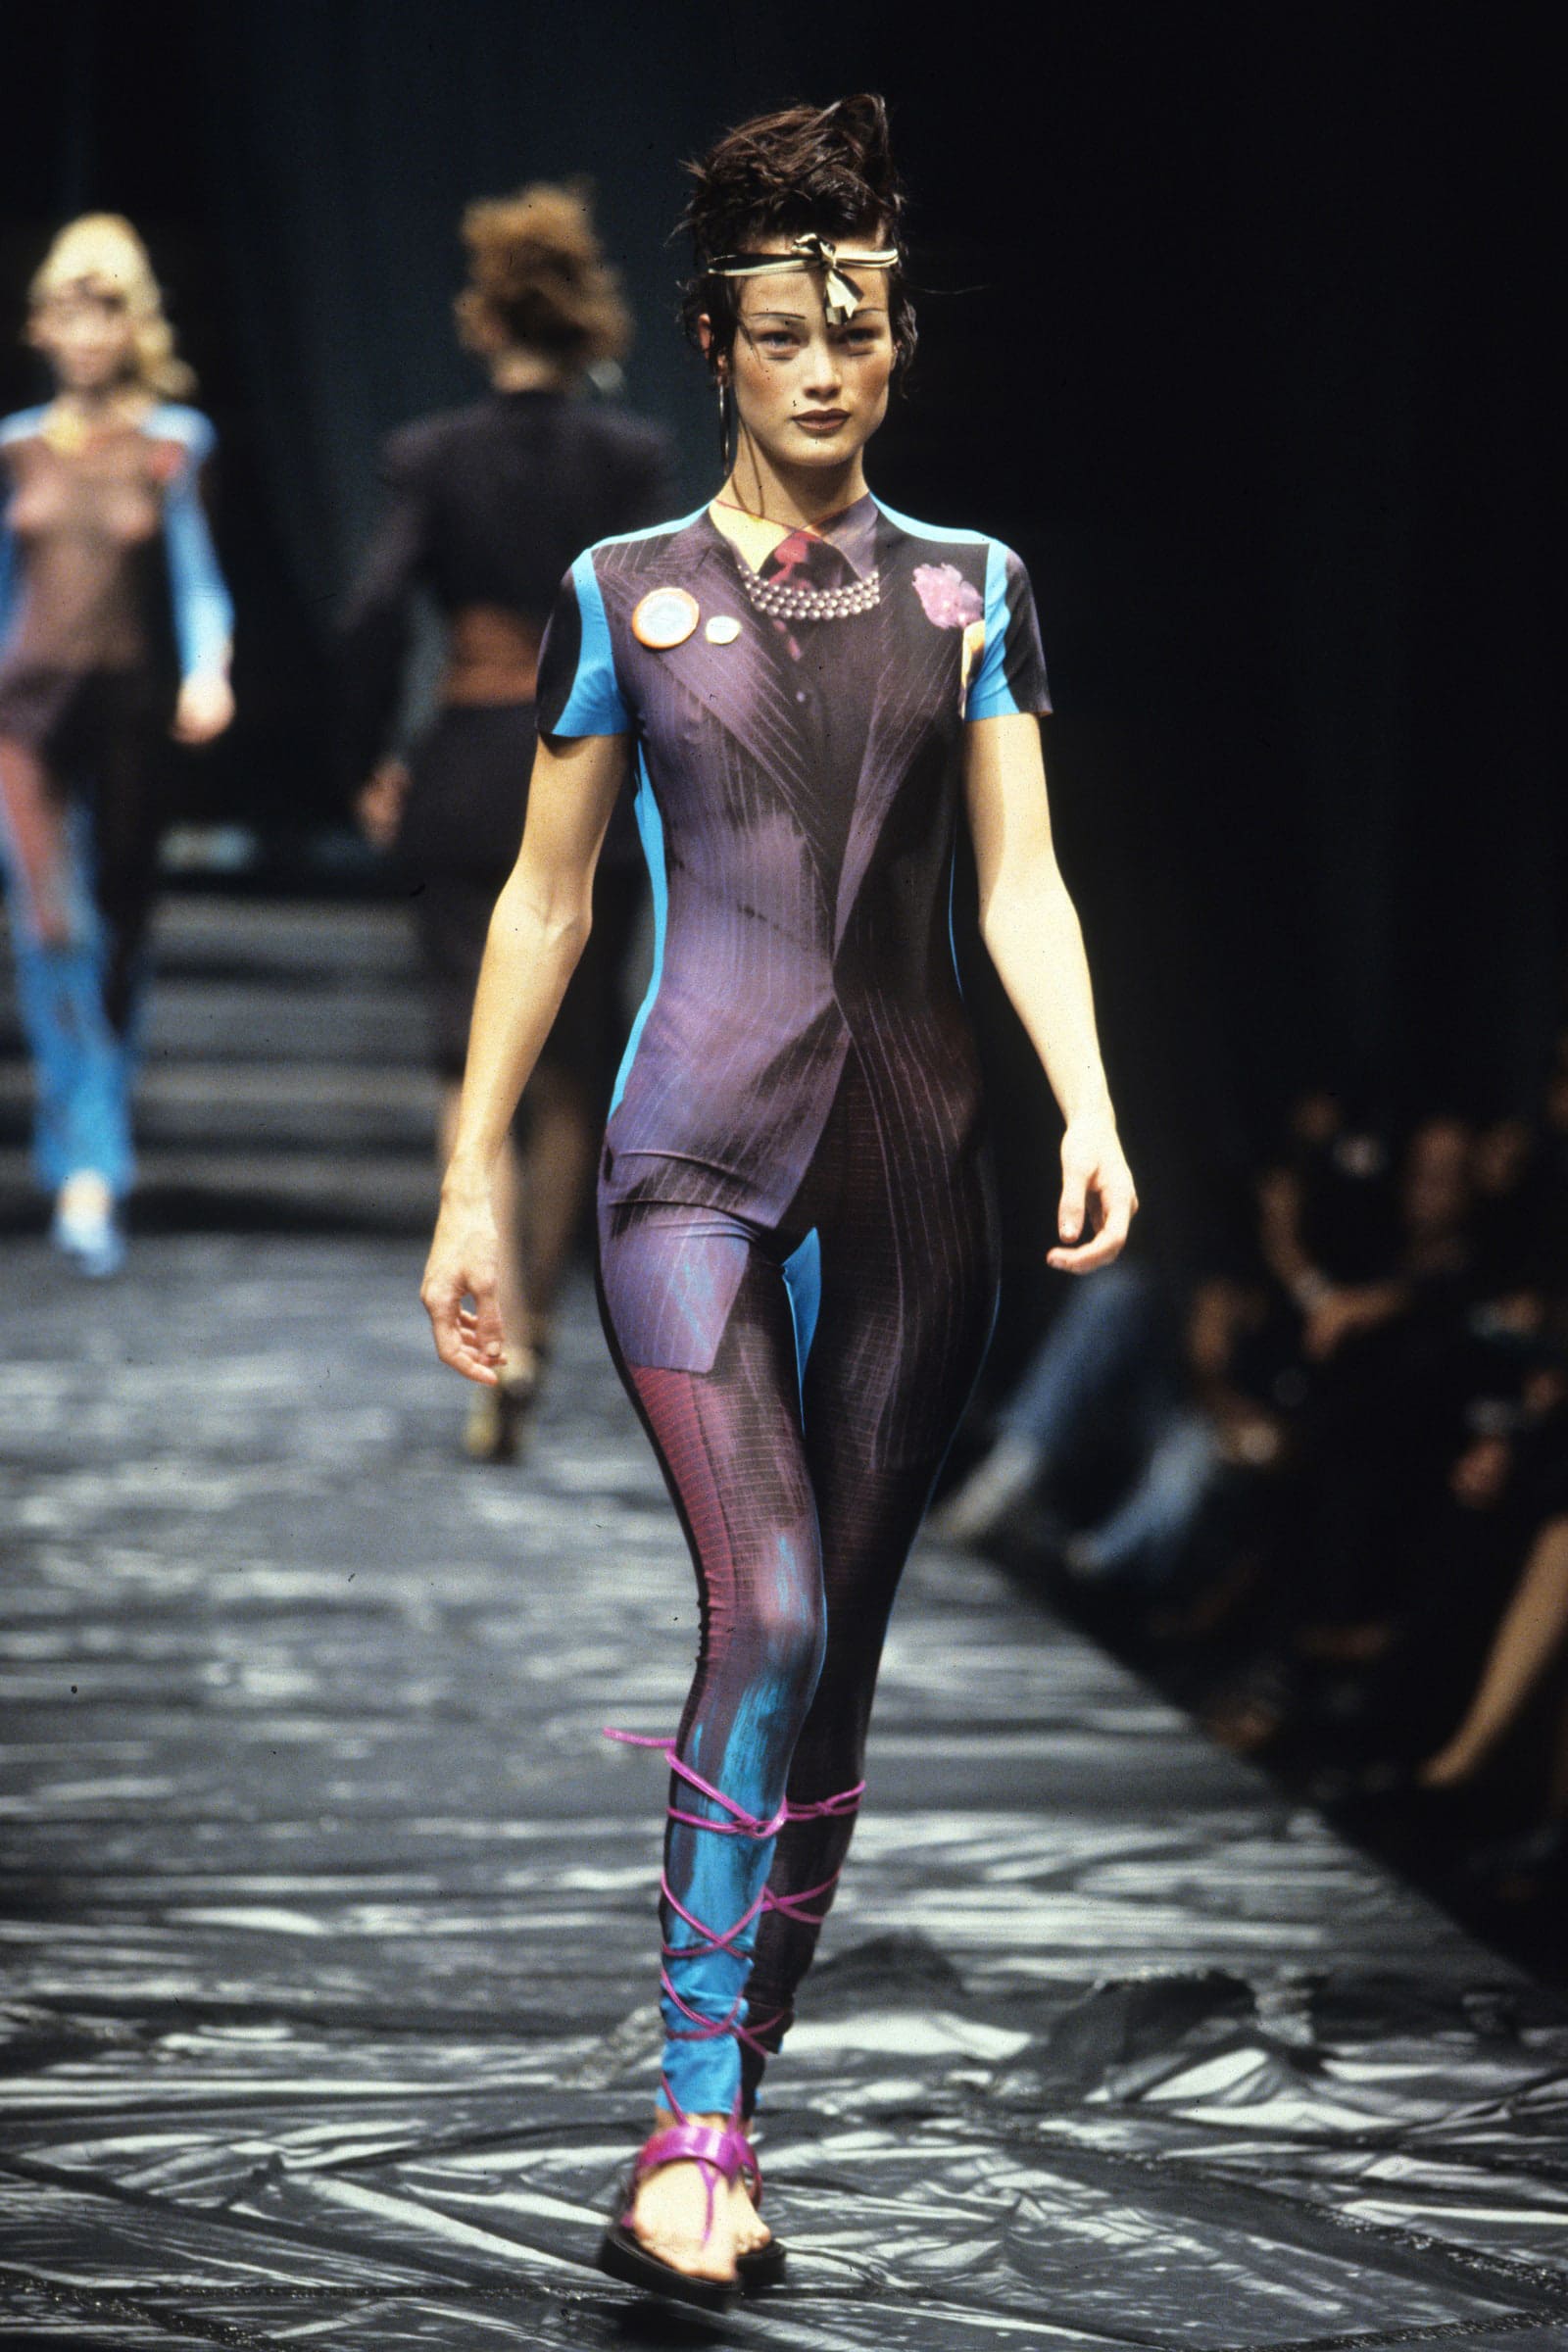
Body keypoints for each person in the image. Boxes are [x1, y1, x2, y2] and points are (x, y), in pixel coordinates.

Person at [419, 95, 1137, 2309]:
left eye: (863, 328)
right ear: (715, 345)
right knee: (777, 1612)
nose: (829, 368)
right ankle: (692, 2127)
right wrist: (470, 1175)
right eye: (786, 332)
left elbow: (1018, 881)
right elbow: (547, 904)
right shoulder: (620, 591)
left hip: (917, 1161)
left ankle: (740, 2096)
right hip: (686, 1163)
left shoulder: (969, 587)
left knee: (839, 1670)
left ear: (898, 342)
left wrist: (1090, 1100)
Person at [341, 183, 670, 1459]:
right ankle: (535, 1330)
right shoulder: (628, 461)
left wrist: (370, 758)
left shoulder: (430, 456)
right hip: (594, 774)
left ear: (483, 319)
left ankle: (505, 1332)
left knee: (463, 1060)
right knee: (572, 1064)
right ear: (588, 320)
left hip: (467, 770)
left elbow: (374, 612)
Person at [0, 215, 234, 1275]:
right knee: (54, 927)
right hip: (25, 719)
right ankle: (90, 1168)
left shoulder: (174, 441)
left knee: (124, 930)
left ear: (132, 326)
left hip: (131, 716)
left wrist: (209, 667)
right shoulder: (15, 446)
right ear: (41, 326)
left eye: (106, 312)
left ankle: (89, 1140)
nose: (87, 333)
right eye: (69, 311)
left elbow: (196, 576)